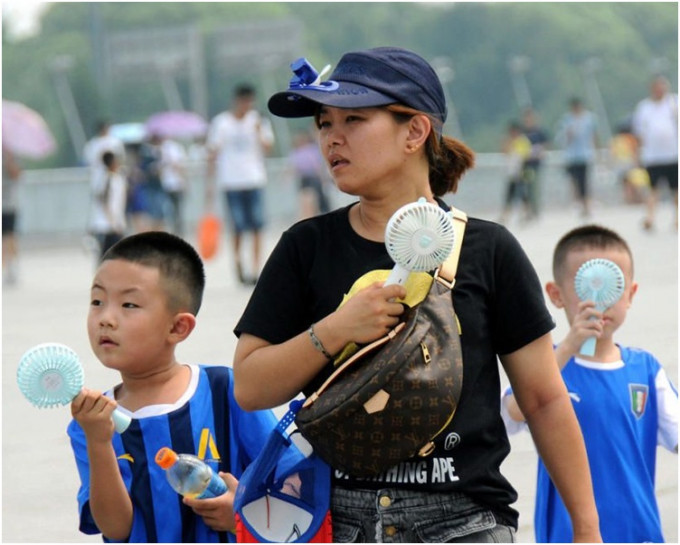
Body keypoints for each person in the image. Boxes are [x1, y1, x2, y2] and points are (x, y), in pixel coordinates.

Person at [232, 47, 601, 543]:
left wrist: (587, 529)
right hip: (339, 522)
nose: (331, 138)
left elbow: (543, 399)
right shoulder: (305, 247)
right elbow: (250, 386)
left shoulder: (488, 249)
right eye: (323, 124)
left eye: (354, 120)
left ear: (415, 131)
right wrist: (335, 329)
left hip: (466, 521)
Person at [67, 231, 279, 542]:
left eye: (128, 304)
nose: (106, 318)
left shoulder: (225, 390)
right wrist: (99, 442)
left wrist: (243, 511)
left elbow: (288, 476)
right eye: (97, 301)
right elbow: (116, 528)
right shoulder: (91, 422)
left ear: (178, 327)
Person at [501, 224, 678, 542]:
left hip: (638, 531)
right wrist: (567, 347)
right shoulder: (547, 366)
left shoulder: (646, 370)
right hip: (567, 533)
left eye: (614, 285)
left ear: (631, 294)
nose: (601, 300)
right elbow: (513, 412)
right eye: (587, 285)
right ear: (556, 295)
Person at [206, 84, 275, 285]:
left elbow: (268, 148)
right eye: (245, 101)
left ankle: (255, 269)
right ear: (237, 101)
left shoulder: (258, 121)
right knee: (238, 227)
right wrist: (209, 184)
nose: (248, 105)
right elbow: (213, 152)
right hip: (231, 182)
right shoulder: (222, 123)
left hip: (254, 179)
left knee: (257, 227)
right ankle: (238, 264)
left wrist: (259, 131)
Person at [631, 75, 678, 231]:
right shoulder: (644, 107)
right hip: (653, 156)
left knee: (676, 189)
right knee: (652, 189)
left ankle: (677, 218)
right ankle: (650, 217)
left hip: (673, 154)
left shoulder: (674, 103)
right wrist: (637, 154)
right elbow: (638, 133)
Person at [555, 97, 598, 218]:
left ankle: (587, 205)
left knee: (584, 181)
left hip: (585, 155)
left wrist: (596, 152)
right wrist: (568, 135)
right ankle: (577, 203)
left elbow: (594, 136)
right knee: (574, 180)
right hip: (571, 156)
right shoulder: (566, 120)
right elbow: (560, 139)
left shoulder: (589, 119)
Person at [87, 151, 127, 259]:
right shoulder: (106, 179)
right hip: (106, 224)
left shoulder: (118, 178)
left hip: (116, 222)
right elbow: (104, 202)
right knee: (107, 253)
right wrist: (113, 222)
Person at [289, 128, 332, 219]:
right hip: (304, 178)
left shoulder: (311, 150)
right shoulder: (296, 152)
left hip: (314, 178)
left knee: (316, 199)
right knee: (306, 200)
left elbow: (318, 166)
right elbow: (293, 167)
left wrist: (323, 178)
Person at [498, 120, 532, 224]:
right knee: (509, 195)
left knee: (523, 194)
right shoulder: (509, 141)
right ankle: (505, 216)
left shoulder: (523, 141)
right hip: (511, 173)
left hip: (522, 172)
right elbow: (504, 152)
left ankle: (526, 214)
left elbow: (525, 156)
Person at [521, 107, 550, 218]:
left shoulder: (539, 132)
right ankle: (527, 210)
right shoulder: (523, 132)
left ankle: (535, 210)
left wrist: (540, 151)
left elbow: (546, 144)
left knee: (534, 187)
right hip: (525, 165)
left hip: (535, 164)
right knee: (525, 188)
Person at [159, 136, 188, 235]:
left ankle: (176, 228)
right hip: (173, 183)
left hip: (172, 183)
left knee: (175, 209)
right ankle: (176, 228)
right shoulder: (169, 149)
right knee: (176, 209)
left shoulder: (165, 149)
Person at [2, 146, 22, 285]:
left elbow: (17, 175)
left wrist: (9, 159)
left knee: (9, 236)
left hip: (8, 204)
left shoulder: (11, 155)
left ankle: (12, 268)